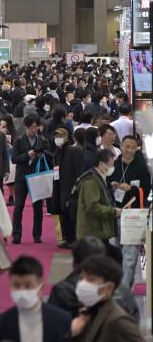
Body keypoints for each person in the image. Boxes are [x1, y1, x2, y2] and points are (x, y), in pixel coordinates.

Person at [48, 236, 140, 320]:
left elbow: (52, 326)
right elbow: (134, 323)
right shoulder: (122, 291)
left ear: (74, 264)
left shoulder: (61, 292)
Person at [0, 256, 71, 342]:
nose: (22, 291)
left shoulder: (62, 321)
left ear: (41, 287)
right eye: (16, 285)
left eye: (28, 286)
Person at [109, 135, 151, 288]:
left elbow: (147, 189)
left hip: (133, 215)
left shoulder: (141, 166)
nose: (129, 150)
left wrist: (131, 189)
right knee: (114, 251)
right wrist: (113, 185)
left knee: (130, 255)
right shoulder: (113, 164)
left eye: (133, 147)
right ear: (121, 146)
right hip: (113, 213)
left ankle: (126, 288)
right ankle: (115, 284)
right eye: (127, 146)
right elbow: (105, 186)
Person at [69, 255, 144, 342]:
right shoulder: (87, 313)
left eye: (91, 280)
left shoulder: (117, 320)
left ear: (108, 287)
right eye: (81, 278)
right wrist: (75, 334)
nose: (83, 284)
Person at [11, 114, 52, 244]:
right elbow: (14, 159)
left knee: (38, 208)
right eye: (32, 127)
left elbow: (51, 155)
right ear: (26, 127)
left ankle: (37, 234)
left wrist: (42, 154)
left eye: (36, 127)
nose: (34, 130)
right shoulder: (19, 140)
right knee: (18, 206)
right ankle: (16, 234)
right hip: (22, 177)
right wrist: (27, 155)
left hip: (37, 177)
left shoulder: (43, 140)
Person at [76, 149, 123, 262]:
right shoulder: (91, 182)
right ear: (101, 164)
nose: (113, 168)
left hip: (98, 232)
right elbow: (92, 207)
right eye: (111, 164)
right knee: (111, 260)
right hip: (93, 234)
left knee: (115, 256)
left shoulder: (99, 179)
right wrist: (113, 211)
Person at [53, 127, 84, 248]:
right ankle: (68, 238)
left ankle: (74, 239)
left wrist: (76, 187)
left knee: (72, 215)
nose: (58, 139)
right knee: (64, 213)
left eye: (60, 136)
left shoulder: (74, 150)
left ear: (66, 137)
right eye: (56, 136)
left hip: (72, 188)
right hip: (60, 187)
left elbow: (79, 170)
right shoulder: (58, 152)